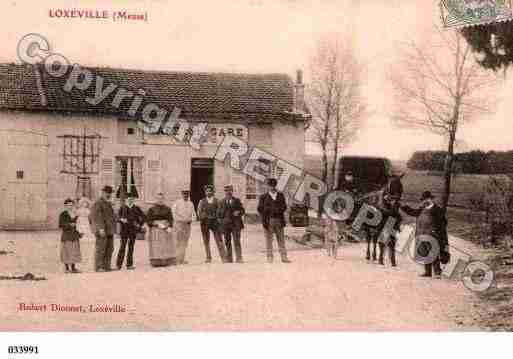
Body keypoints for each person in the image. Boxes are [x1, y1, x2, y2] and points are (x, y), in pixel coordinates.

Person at [400, 191, 448, 278]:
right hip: (421, 233)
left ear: (431, 199)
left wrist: (437, 231)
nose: (425, 201)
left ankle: (437, 272)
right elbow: (412, 212)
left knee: (433, 251)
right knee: (424, 252)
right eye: (423, 200)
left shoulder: (437, 209)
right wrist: (403, 207)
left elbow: (443, 222)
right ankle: (428, 272)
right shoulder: (421, 208)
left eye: (427, 199)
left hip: (432, 234)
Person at [257, 178, 291, 263]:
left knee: (281, 240)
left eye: (273, 185)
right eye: (270, 185)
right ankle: (269, 257)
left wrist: (277, 210)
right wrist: (268, 211)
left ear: (275, 186)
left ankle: (284, 257)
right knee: (269, 240)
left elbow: (284, 207)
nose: (272, 187)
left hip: (279, 220)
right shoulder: (263, 197)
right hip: (268, 221)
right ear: (268, 186)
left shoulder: (280, 195)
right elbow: (260, 209)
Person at [197, 185, 227, 263]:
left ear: (213, 192)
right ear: (205, 192)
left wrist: (217, 218)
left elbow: (220, 211)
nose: (209, 192)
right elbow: (199, 212)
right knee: (206, 241)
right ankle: (208, 257)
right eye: (207, 191)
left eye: (210, 191)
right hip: (205, 223)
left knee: (219, 240)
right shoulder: (202, 201)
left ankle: (224, 258)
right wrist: (203, 217)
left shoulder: (217, 201)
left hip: (215, 223)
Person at [90, 186, 116, 272]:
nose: (108, 194)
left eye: (110, 193)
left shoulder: (108, 203)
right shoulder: (98, 203)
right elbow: (96, 217)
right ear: (102, 193)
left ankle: (106, 266)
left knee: (109, 248)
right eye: (106, 193)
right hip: (102, 230)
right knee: (101, 248)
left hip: (109, 230)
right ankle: (99, 267)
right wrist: (100, 228)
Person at [116, 192, 145, 270]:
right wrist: (121, 219)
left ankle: (129, 264)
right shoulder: (122, 208)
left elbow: (143, 217)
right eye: (129, 199)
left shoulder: (136, 208)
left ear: (134, 200)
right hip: (124, 230)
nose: (130, 201)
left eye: (132, 199)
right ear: (126, 200)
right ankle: (118, 265)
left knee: (131, 247)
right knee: (122, 247)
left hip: (133, 230)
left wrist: (139, 224)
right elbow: (117, 217)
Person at [146, 192, 176, 267]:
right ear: (156, 199)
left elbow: (171, 219)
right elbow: (148, 221)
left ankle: (166, 261)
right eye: (158, 198)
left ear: (163, 199)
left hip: (165, 229)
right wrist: (156, 224)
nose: (160, 200)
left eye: (161, 198)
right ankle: (156, 261)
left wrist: (169, 226)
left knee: (166, 244)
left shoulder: (168, 208)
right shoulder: (151, 209)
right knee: (156, 245)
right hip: (155, 230)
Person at [218, 184, 246, 263]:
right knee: (227, 241)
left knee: (237, 241)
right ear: (225, 192)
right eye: (226, 191)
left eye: (230, 190)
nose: (228, 192)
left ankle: (239, 258)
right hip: (226, 225)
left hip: (236, 225)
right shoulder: (221, 202)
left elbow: (243, 210)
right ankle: (229, 258)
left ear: (232, 191)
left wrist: (239, 212)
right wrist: (222, 220)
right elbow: (219, 214)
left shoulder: (237, 200)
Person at [172, 189, 197, 265]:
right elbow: (173, 213)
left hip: (187, 226)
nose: (185, 195)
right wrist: (180, 220)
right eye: (184, 194)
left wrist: (191, 220)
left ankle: (181, 259)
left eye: (187, 194)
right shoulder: (177, 203)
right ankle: (176, 259)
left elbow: (194, 215)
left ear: (188, 195)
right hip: (179, 225)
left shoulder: (191, 204)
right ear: (181, 194)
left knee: (184, 242)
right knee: (178, 241)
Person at [484, 177, 510, 247]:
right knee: (495, 226)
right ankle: (494, 241)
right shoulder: (492, 194)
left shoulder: (501, 194)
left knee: (499, 227)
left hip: (500, 216)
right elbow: (487, 206)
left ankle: (498, 241)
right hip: (495, 216)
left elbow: (504, 206)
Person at [59, 198, 82, 273]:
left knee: (74, 251)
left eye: (71, 205)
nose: (70, 207)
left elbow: (79, 224)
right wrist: (69, 224)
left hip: (74, 235)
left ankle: (73, 267)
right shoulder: (63, 214)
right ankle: (66, 268)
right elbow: (61, 224)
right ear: (65, 206)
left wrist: (80, 232)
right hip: (66, 235)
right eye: (68, 205)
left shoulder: (75, 214)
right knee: (66, 251)